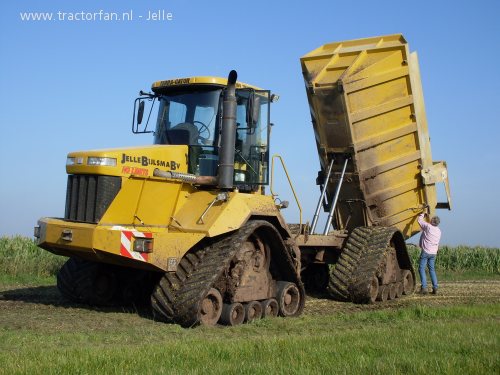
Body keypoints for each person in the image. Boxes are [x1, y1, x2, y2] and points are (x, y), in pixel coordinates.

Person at [417, 211, 442, 295]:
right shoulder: (439, 231)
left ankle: (424, 288)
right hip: (433, 253)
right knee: (432, 270)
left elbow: (419, 220)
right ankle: (435, 288)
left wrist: (423, 213)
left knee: (421, 269)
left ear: (432, 221)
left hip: (426, 252)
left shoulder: (428, 227)